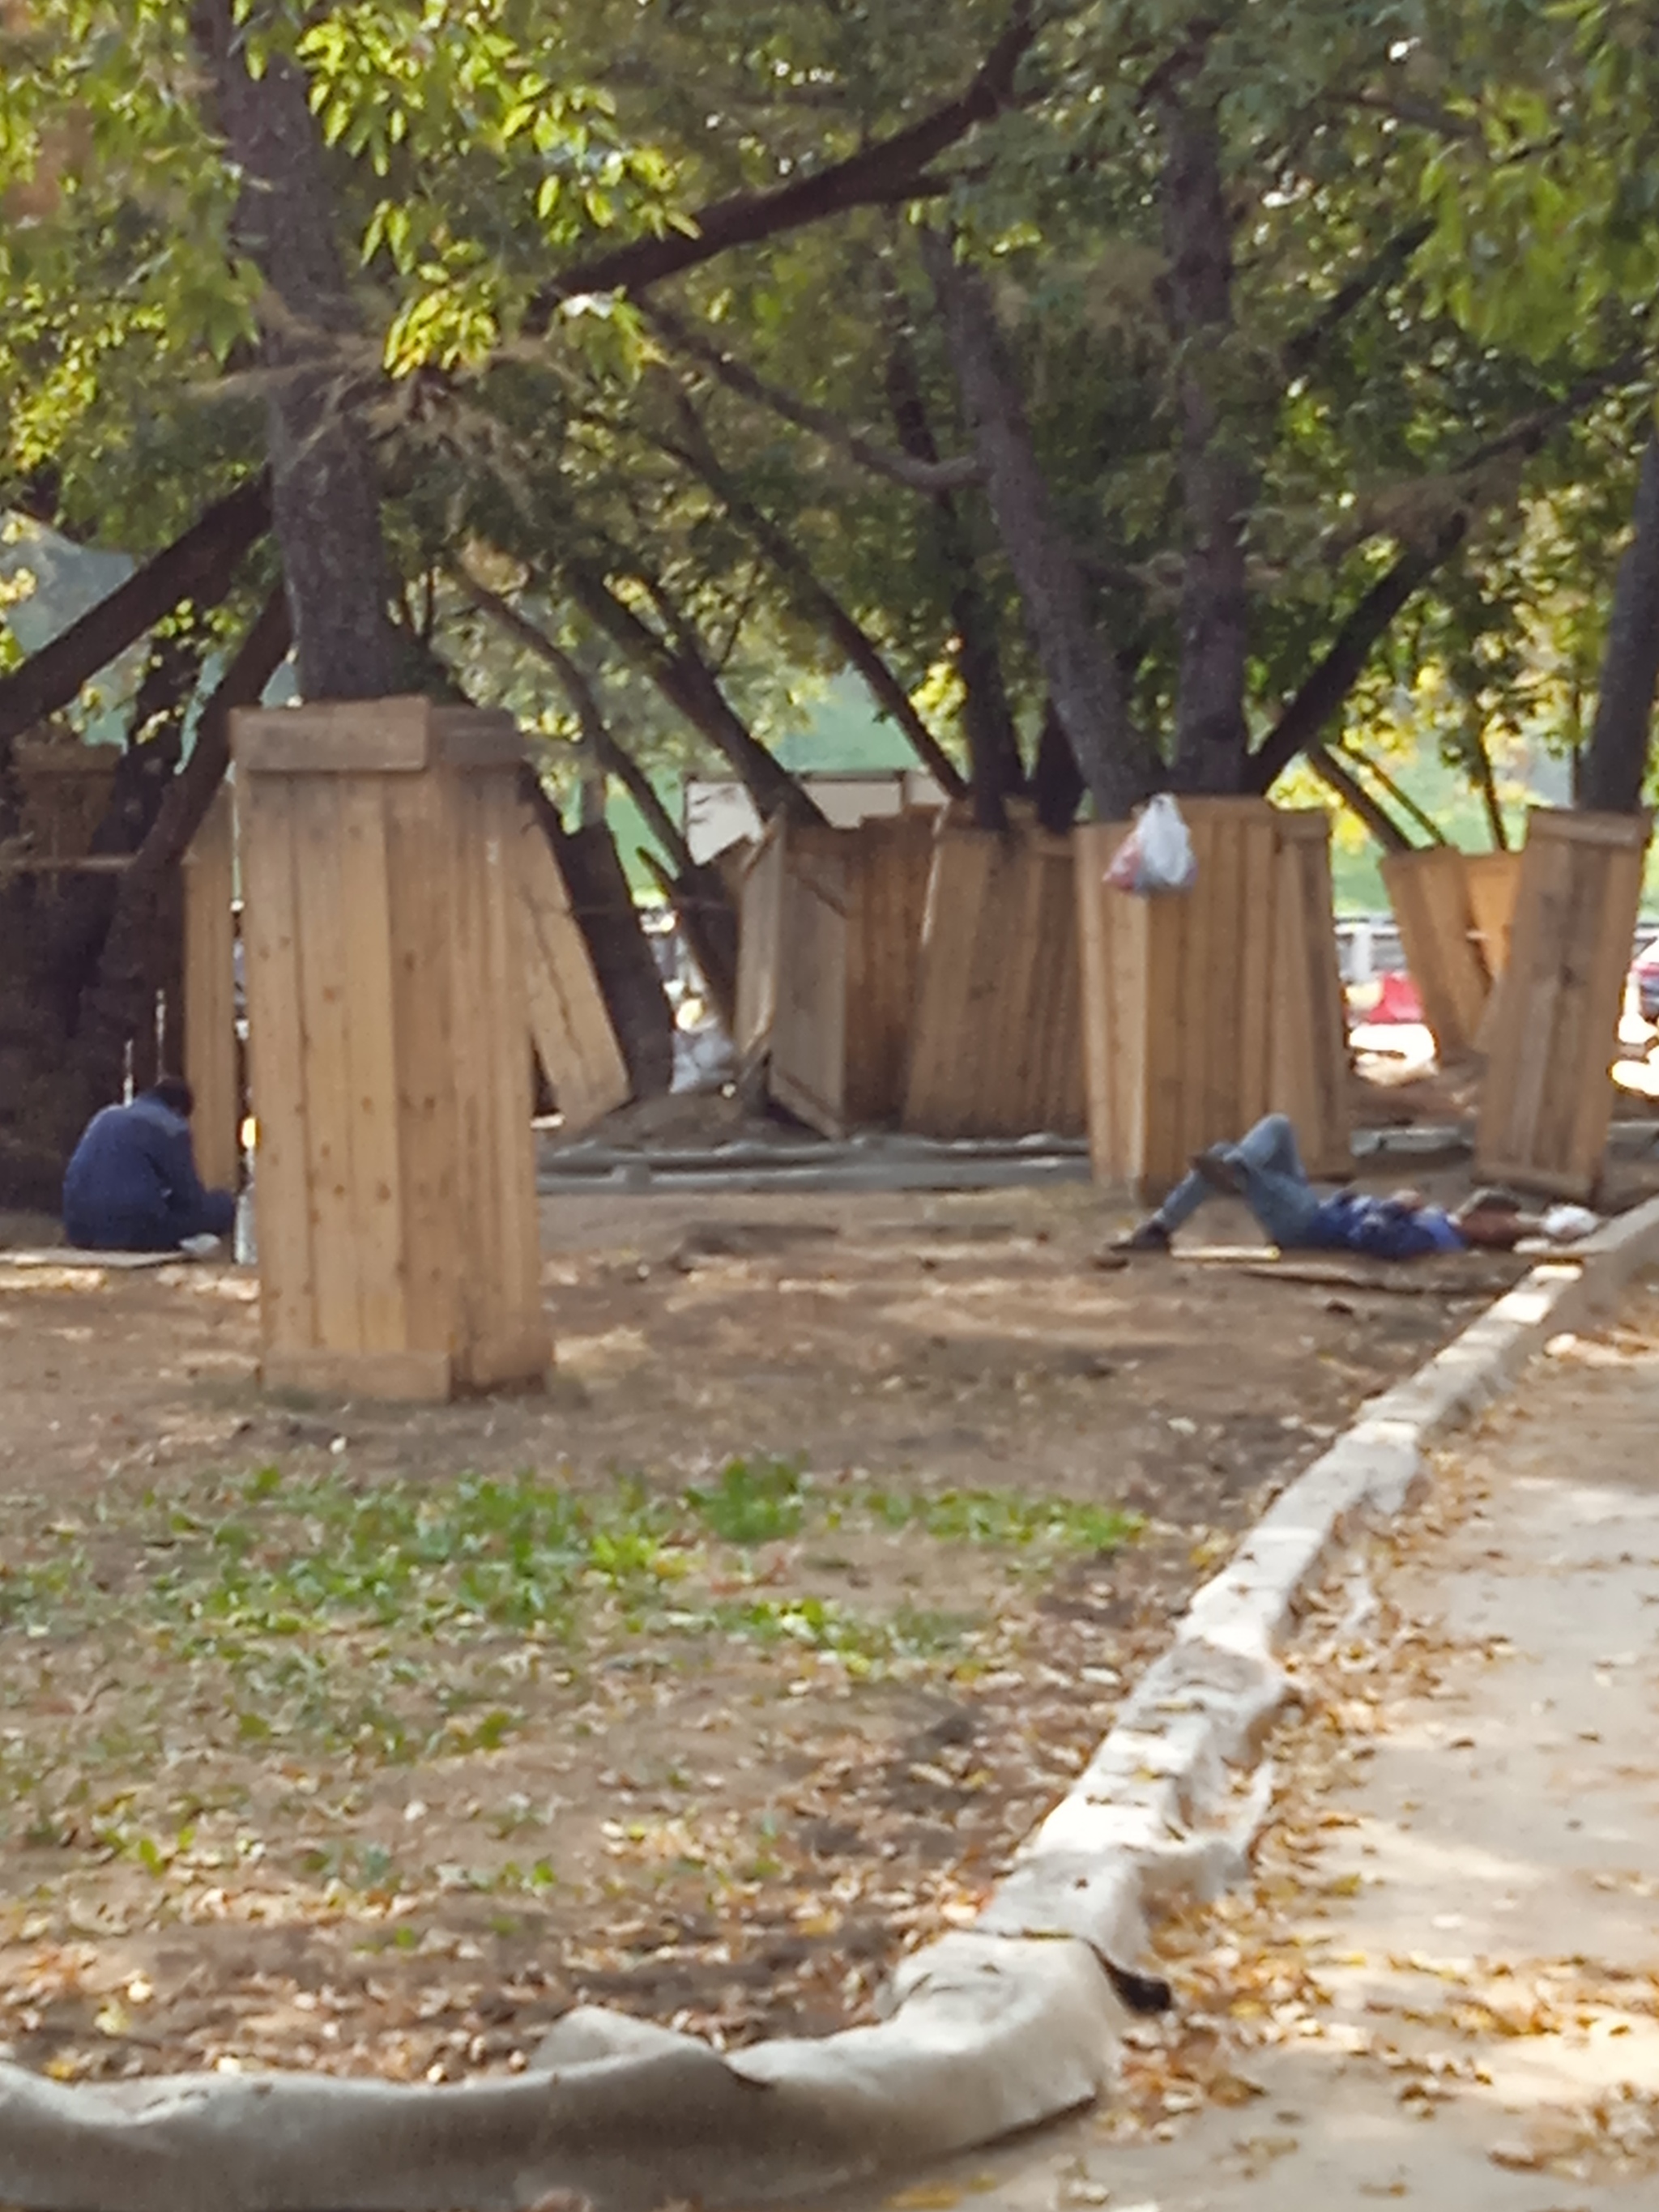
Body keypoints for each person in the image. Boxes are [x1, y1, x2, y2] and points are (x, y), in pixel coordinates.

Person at [1115, 1112, 1538, 1259]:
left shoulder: (1434, 1236)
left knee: (1235, 1159)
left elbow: (1372, 1238)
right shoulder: (1441, 1221)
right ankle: (1234, 1171)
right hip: (1318, 1206)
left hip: (1308, 1225)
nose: (1474, 1213)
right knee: (1275, 1127)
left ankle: (1228, 1178)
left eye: (1489, 1220)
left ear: (1487, 1231)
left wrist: (1395, 1207)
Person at [62, 1078, 237, 1254]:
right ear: (177, 1109)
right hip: (133, 1232)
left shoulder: (106, 1116)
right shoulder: (171, 1125)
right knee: (222, 1205)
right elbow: (190, 1197)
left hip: (79, 1230)